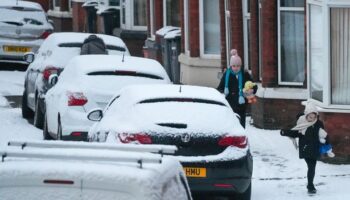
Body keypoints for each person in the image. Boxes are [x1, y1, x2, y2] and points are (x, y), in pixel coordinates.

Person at [280, 102, 335, 194]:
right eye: (310, 116)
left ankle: (310, 185)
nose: (312, 118)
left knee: (312, 167)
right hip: (305, 149)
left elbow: (324, 135)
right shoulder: (302, 123)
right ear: (307, 115)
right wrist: (285, 132)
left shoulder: (318, 123)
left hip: (315, 149)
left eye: (314, 117)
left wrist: (327, 144)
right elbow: (296, 133)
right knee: (311, 166)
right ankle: (310, 185)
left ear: (316, 115)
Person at [217, 49, 257, 128]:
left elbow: (253, 85)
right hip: (229, 106)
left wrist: (252, 90)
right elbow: (220, 88)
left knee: (241, 128)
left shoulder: (245, 74)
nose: (236, 68)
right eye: (234, 66)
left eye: (238, 66)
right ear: (231, 66)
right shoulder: (227, 75)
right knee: (231, 127)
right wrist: (222, 93)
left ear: (240, 66)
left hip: (241, 106)